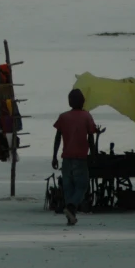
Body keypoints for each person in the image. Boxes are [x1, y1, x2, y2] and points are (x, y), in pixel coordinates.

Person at [52, 89, 104, 226]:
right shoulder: (86, 116)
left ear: (69, 102)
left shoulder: (63, 117)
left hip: (66, 158)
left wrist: (54, 156)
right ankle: (71, 208)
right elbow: (91, 138)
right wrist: (93, 155)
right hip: (80, 158)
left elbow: (57, 138)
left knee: (68, 187)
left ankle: (71, 216)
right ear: (83, 102)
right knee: (82, 186)